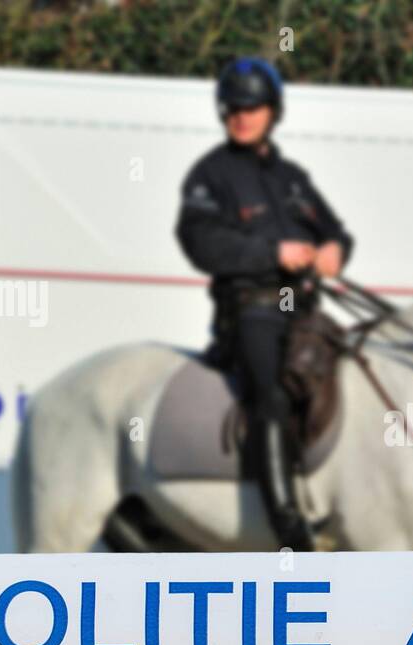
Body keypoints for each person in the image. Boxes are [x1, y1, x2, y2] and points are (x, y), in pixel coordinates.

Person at [175, 56, 353, 551]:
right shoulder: (209, 176)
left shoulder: (293, 178)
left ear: (273, 111)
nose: (241, 115)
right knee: (271, 395)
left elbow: (333, 231)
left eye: (252, 106)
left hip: (303, 309)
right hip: (248, 311)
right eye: (232, 107)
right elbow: (201, 243)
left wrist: (334, 249)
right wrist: (272, 253)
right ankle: (288, 526)